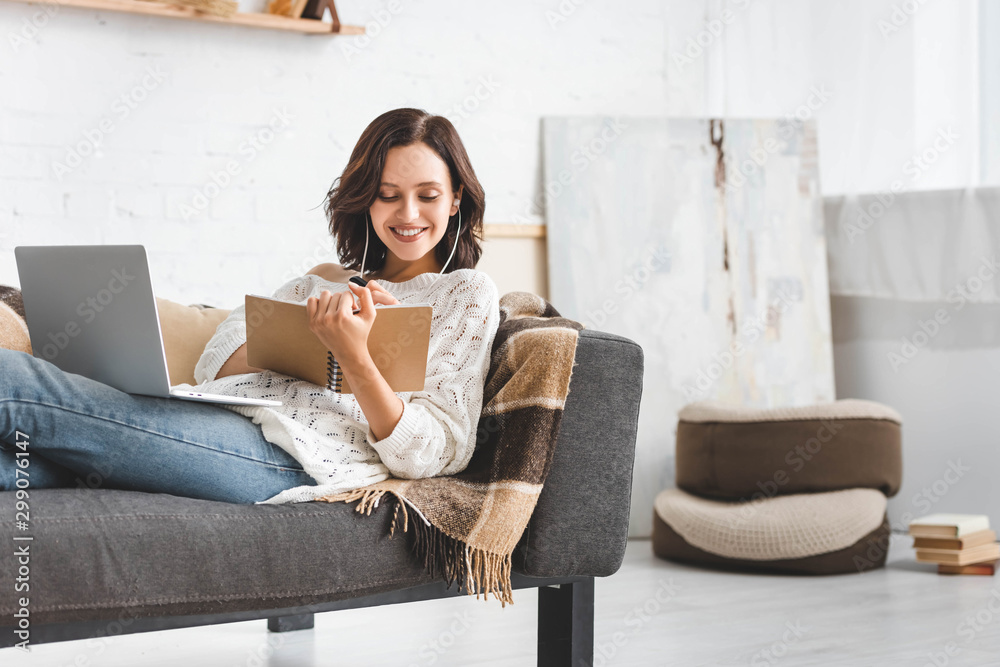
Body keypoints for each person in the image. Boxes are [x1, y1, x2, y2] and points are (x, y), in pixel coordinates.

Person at [0, 108, 502, 505]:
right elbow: (211, 364)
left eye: (428, 196)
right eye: (388, 195)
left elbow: (435, 452)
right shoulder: (320, 281)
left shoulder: (463, 295)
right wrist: (313, 328)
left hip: (298, 455)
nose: (408, 214)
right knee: (15, 463)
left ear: (456, 199)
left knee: (13, 378)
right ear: (367, 201)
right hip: (218, 415)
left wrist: (352, 355)